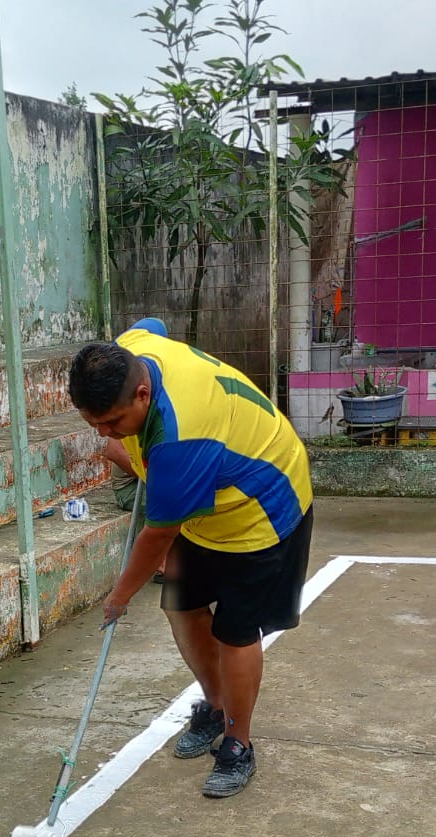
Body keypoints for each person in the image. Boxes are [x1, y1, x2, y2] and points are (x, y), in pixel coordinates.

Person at [68, 318, 314, 798]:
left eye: (112, 423)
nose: (104, 434)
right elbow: (152, 325)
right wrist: (125, 436)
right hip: (206, 505)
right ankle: (216, 707)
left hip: (261, 507)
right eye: (93, 424)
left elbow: (158, 534)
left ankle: (239, 743)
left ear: (142, 394)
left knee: (236, 631)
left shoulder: (181, 439)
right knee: (181, 605)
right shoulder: (132, 349)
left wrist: (119, 596)